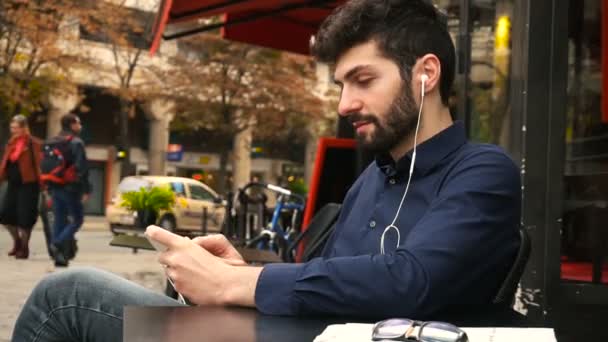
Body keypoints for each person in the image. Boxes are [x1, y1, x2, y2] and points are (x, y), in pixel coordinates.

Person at [11, 1, 521, 340]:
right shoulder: (372, 178)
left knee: (66, 295)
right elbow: (320, 278)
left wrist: (240, 284)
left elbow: (415, 280)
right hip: (274, 331)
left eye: (363, 80)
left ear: (426, 74)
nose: (345, 103)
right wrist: (237, 271)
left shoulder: (482, 170)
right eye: (341, 85)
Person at [45, 113, 91, 267]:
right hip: (71, 188)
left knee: (59, 220)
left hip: (55, 186)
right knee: (77, 220)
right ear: (72, 125)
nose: (80, 126)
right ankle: (57, 243)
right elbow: (81, 169)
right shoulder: (76, 142)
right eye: (78, 123)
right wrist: (86, 190)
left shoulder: (53, 141)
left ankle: (59, 258)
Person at [0, 115, 42, 259]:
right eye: (12, 128)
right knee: (5, 216)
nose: (14, 130)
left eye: (16, 128)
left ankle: (24, 248)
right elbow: (5, 163)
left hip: (29, 185)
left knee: (25, 218)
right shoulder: (11, 143)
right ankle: (17, 241)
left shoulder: (33, 143)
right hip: (13, 184)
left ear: (24, 128)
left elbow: (39, 165)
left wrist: (44, 186)